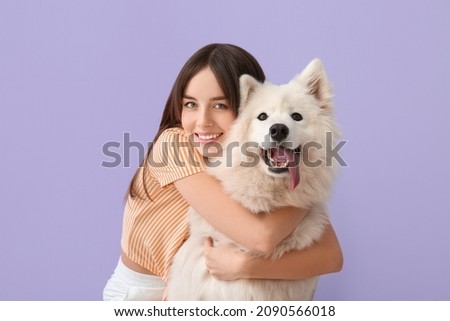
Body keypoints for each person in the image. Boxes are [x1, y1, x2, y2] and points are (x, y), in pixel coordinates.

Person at [103, 43, 343, 301]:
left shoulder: (252, 158)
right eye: (191, 104)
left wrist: (247, 267)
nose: (203, 121)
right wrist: (308, 184)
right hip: (140, 295)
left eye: (219, 106)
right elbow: (260, 237)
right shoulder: (173, 144)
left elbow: (330, 256)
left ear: (243, 108)